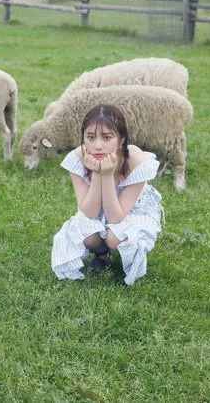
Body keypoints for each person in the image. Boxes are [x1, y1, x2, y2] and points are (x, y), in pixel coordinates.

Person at [51, 104, 163, 285]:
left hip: (132, 208)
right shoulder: (77, 158)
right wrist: (97, 173)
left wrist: (108, 174)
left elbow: (116, 217)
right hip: (96, 205)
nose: (97, 145)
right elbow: (89, 212)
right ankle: (102, 255)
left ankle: (129, 258)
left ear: (121, 139)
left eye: (107, 137)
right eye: (90, 137)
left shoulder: (136, 160)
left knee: (114, 237)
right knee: (86, 234)